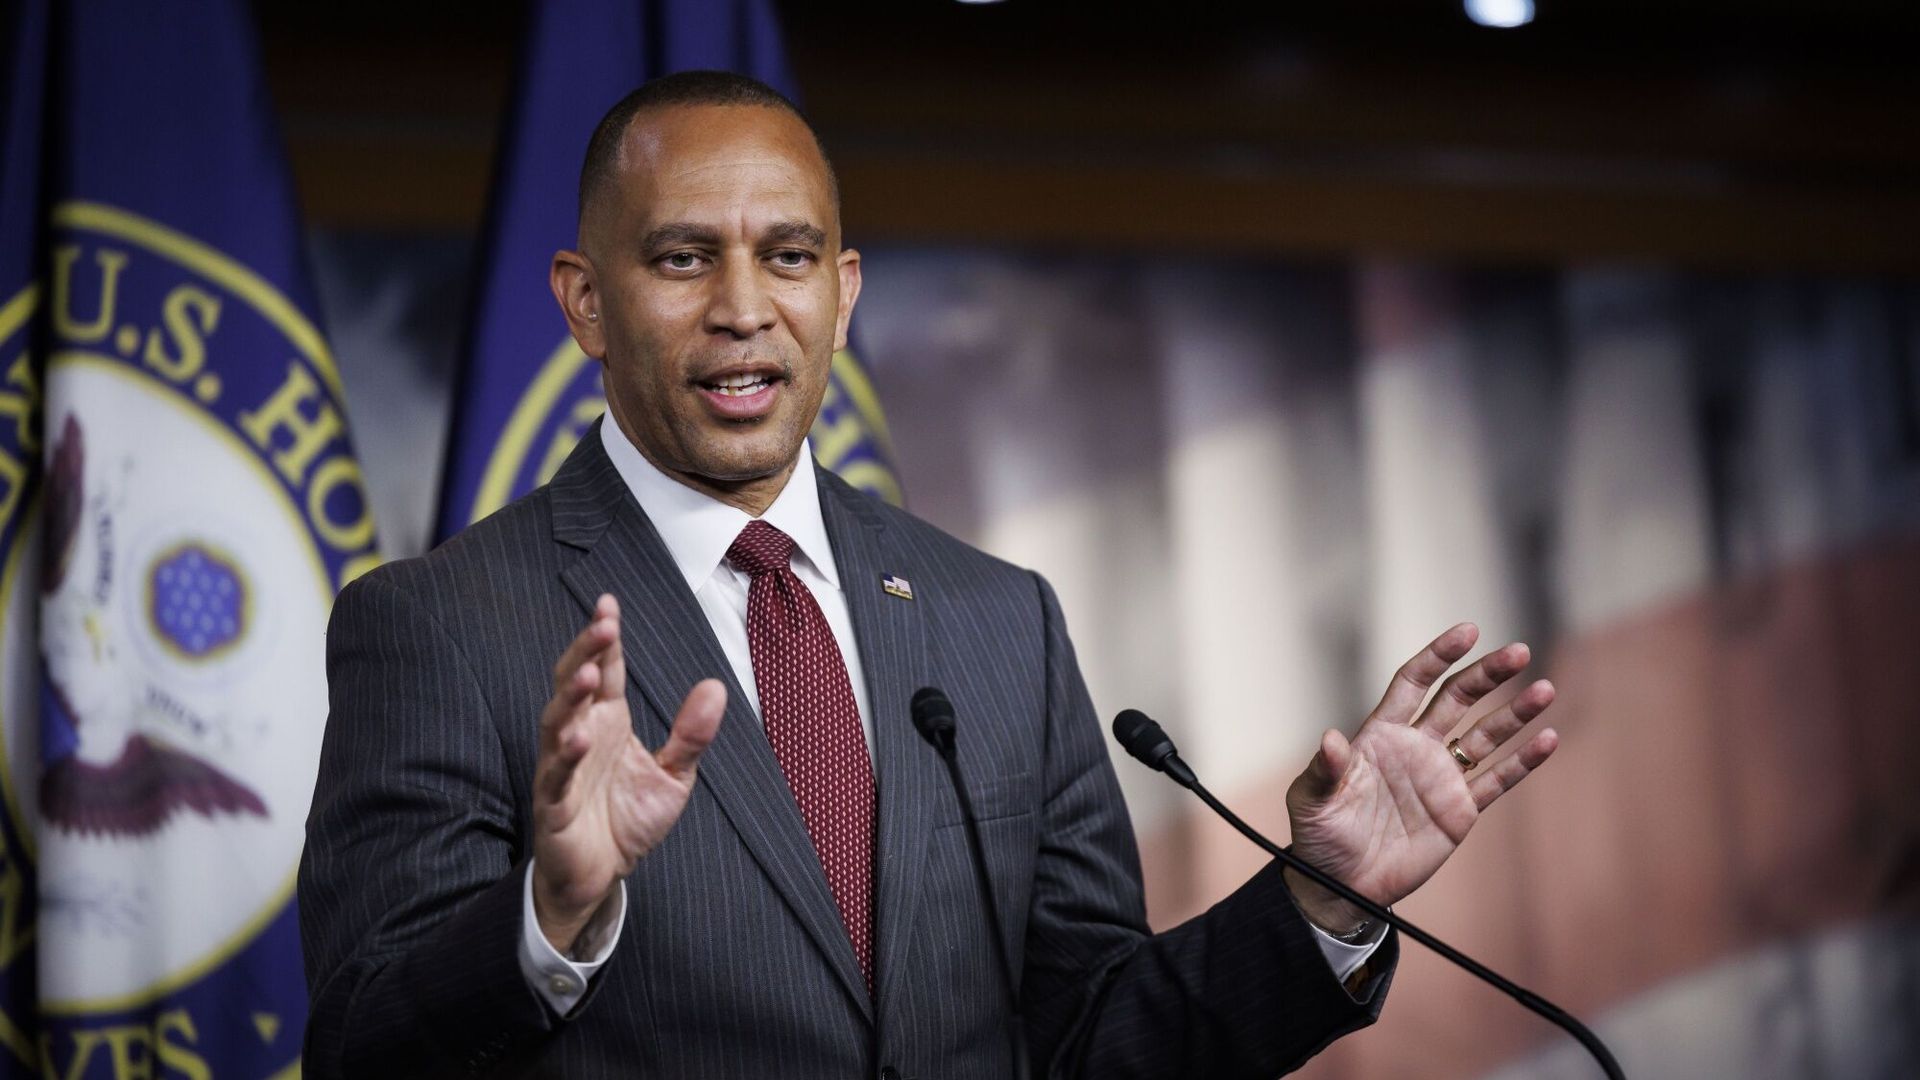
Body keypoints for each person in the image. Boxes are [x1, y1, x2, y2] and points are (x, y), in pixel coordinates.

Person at [298, 71, 1561, 1079]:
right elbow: (360, 1040)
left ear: (842, 296)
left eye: (788, 257)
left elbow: (1092, 1044)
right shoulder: (437, 626)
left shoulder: (995, 618)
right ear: (585, 304)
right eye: (683, 258)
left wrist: (1318, 904)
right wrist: (549, 918)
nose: (744, 307)